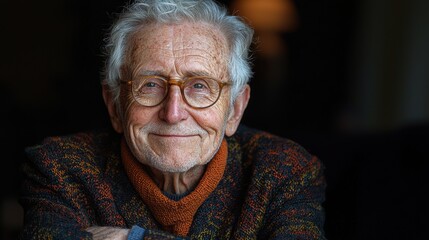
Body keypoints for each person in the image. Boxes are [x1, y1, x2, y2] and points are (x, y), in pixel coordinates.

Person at [19, 0, 326, 239]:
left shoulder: (284, 171)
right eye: (150, 85)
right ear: (114, 105)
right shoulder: (58, 167)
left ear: (234, 110)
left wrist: (134, 238)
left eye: (200, 86)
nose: (173, 113)